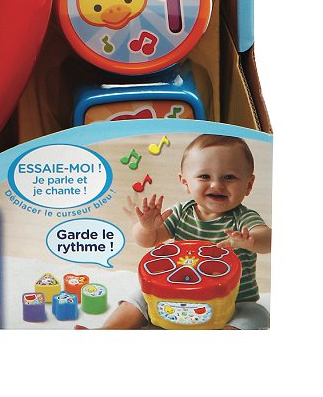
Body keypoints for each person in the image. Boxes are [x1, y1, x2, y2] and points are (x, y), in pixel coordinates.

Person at [96, 134, 270, 329]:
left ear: (248, 185)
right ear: (185, 182)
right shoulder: (181, 212)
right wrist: (146, 228)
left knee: (257, 314)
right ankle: (108, 330)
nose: (216, 185)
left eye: (229, 177)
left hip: (233, 302)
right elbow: (147, 241)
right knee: (139, 297)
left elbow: (269, 240)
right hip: (174, 295)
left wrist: (251, 240)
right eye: (204, 176)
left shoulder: (243, 218)